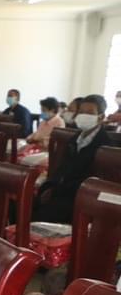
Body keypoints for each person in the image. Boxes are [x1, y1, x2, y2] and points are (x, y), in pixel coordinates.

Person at [34, 94, 110, 223]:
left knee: (39, 216)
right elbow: (61, 168)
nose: (84, 116)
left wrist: (56, 191)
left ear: (101, 117)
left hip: (78, 199)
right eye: (81, 112)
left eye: (89, 113)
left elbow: (91, 180)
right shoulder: (74, 139)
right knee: (18, 205)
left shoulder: (105, 146)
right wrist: (48, 187)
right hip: (60, 192)